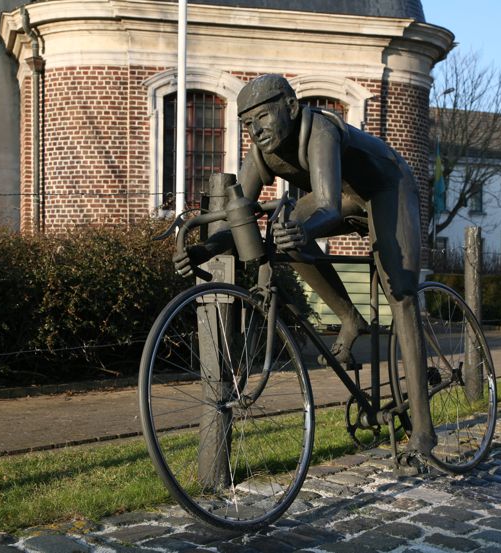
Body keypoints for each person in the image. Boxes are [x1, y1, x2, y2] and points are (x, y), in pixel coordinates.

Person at [174, 74, 436, 457]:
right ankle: (350, 318)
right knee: (283, 231)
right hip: (346, 194)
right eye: (247, 124)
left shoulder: (321, 130)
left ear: (291, 107)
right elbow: (237, 219)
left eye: (262, 117)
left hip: (386, 188)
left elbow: (327, 206)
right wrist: (204, 250)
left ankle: (425, 435)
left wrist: (303, 230)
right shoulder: (262, 153)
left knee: (401, 295)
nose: (255, 130)